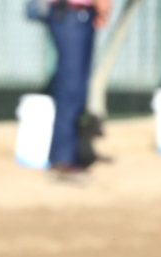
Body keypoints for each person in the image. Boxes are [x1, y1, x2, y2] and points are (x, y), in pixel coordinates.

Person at [45, 0, 112, 177]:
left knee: (78, 89)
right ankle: (62, 160)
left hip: (83, 15)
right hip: (70, 13)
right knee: (71, 89)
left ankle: (73, 155)